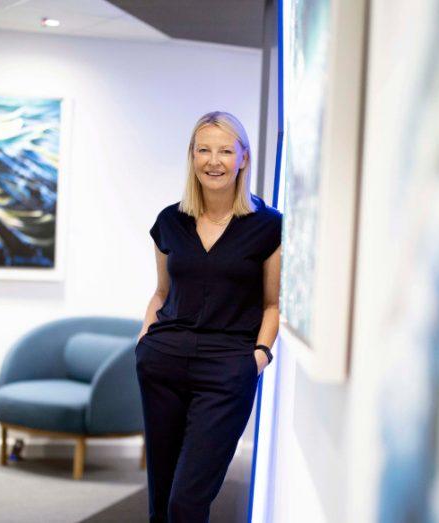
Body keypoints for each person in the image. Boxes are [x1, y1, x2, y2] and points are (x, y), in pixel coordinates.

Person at [135, 110, 282, 522]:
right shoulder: (170, 220)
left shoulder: (268, 227)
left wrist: (258, 357)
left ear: (244, 159)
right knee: (161, 497)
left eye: (224, 150)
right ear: (192, 156)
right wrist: (145, 340)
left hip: (226, 369)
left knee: (188, 500)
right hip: (162, 363)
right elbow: (162, 292)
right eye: (203, 150)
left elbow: (272, 304)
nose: (213, 161)